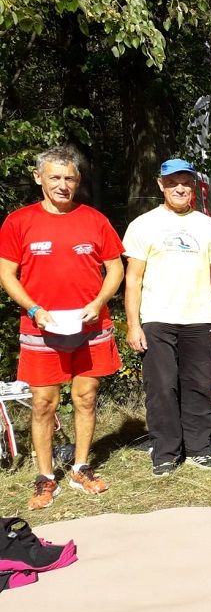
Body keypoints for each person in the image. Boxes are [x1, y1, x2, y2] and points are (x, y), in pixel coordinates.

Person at [0, 146, 124, 509]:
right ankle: (45, 477)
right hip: (41, 325)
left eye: (69, 178)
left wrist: (99, 302)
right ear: (38, 178)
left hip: (90, 324)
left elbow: (115, 268)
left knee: (86, 397)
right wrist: (33, 308)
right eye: (54, 177)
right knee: (43, 403)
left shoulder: (95, 220)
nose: (62, 184)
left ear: (78, 181)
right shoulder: (18, 221)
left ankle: (81, 468)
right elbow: (6, 273)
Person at [123, 158, 211, 477]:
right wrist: (133, 324)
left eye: (185, 183)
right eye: (172, 183)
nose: (180, 188)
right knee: (161, 388)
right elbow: (133, 279)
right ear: (161, 185)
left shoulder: (207, 225)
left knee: (198, 386)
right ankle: (165, 453)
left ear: (193, 186)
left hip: (200, 318)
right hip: (157, 318)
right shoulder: (143, 225)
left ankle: (199, 449)